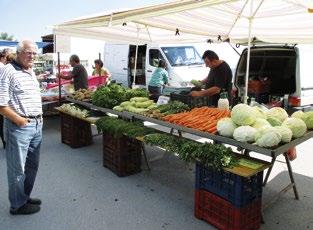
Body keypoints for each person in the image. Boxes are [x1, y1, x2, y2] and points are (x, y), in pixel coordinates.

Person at [0, 40, 43, 215]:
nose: (32, 55)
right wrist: (19, 120)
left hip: (37, 126)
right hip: (20, 127)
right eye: (28, 52)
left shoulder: (30, 70)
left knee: (32, 166)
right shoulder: (8, 71)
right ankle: (17, 205)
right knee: (17, 168)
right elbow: (1, 105)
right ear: (19, 53)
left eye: (34, 53)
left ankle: (24, 196)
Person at [0, 48, 12, 149]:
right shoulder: (3, 67)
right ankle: (5, 142)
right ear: (3, 57)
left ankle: (4, 142)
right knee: (2, 123)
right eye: (7, 56)